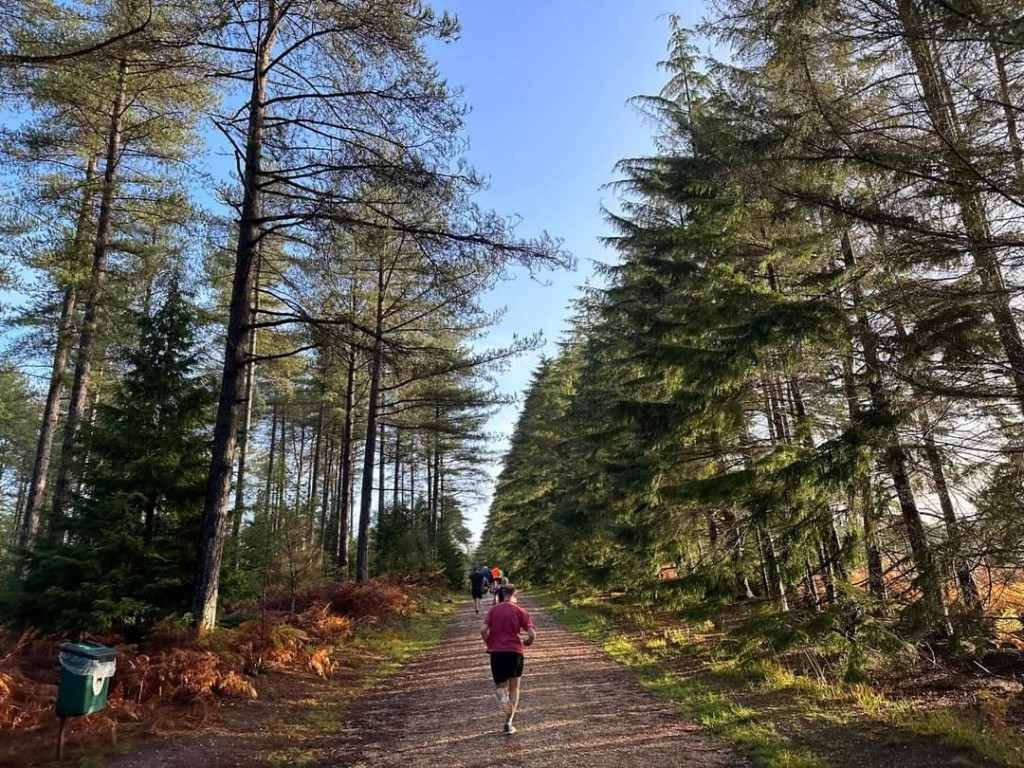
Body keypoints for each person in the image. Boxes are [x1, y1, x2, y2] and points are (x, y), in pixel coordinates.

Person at [480, 583, 535, 734]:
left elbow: (483, 629)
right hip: (515, 652)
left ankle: (503, 699)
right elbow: (532, 634)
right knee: (515, 687)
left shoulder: (493, 610)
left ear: (502, 594)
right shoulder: (520, 611)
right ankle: (509, 723)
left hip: (497, 653)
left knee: (500, 687)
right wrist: (528, 642)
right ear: (515, 594)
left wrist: (489, 643)